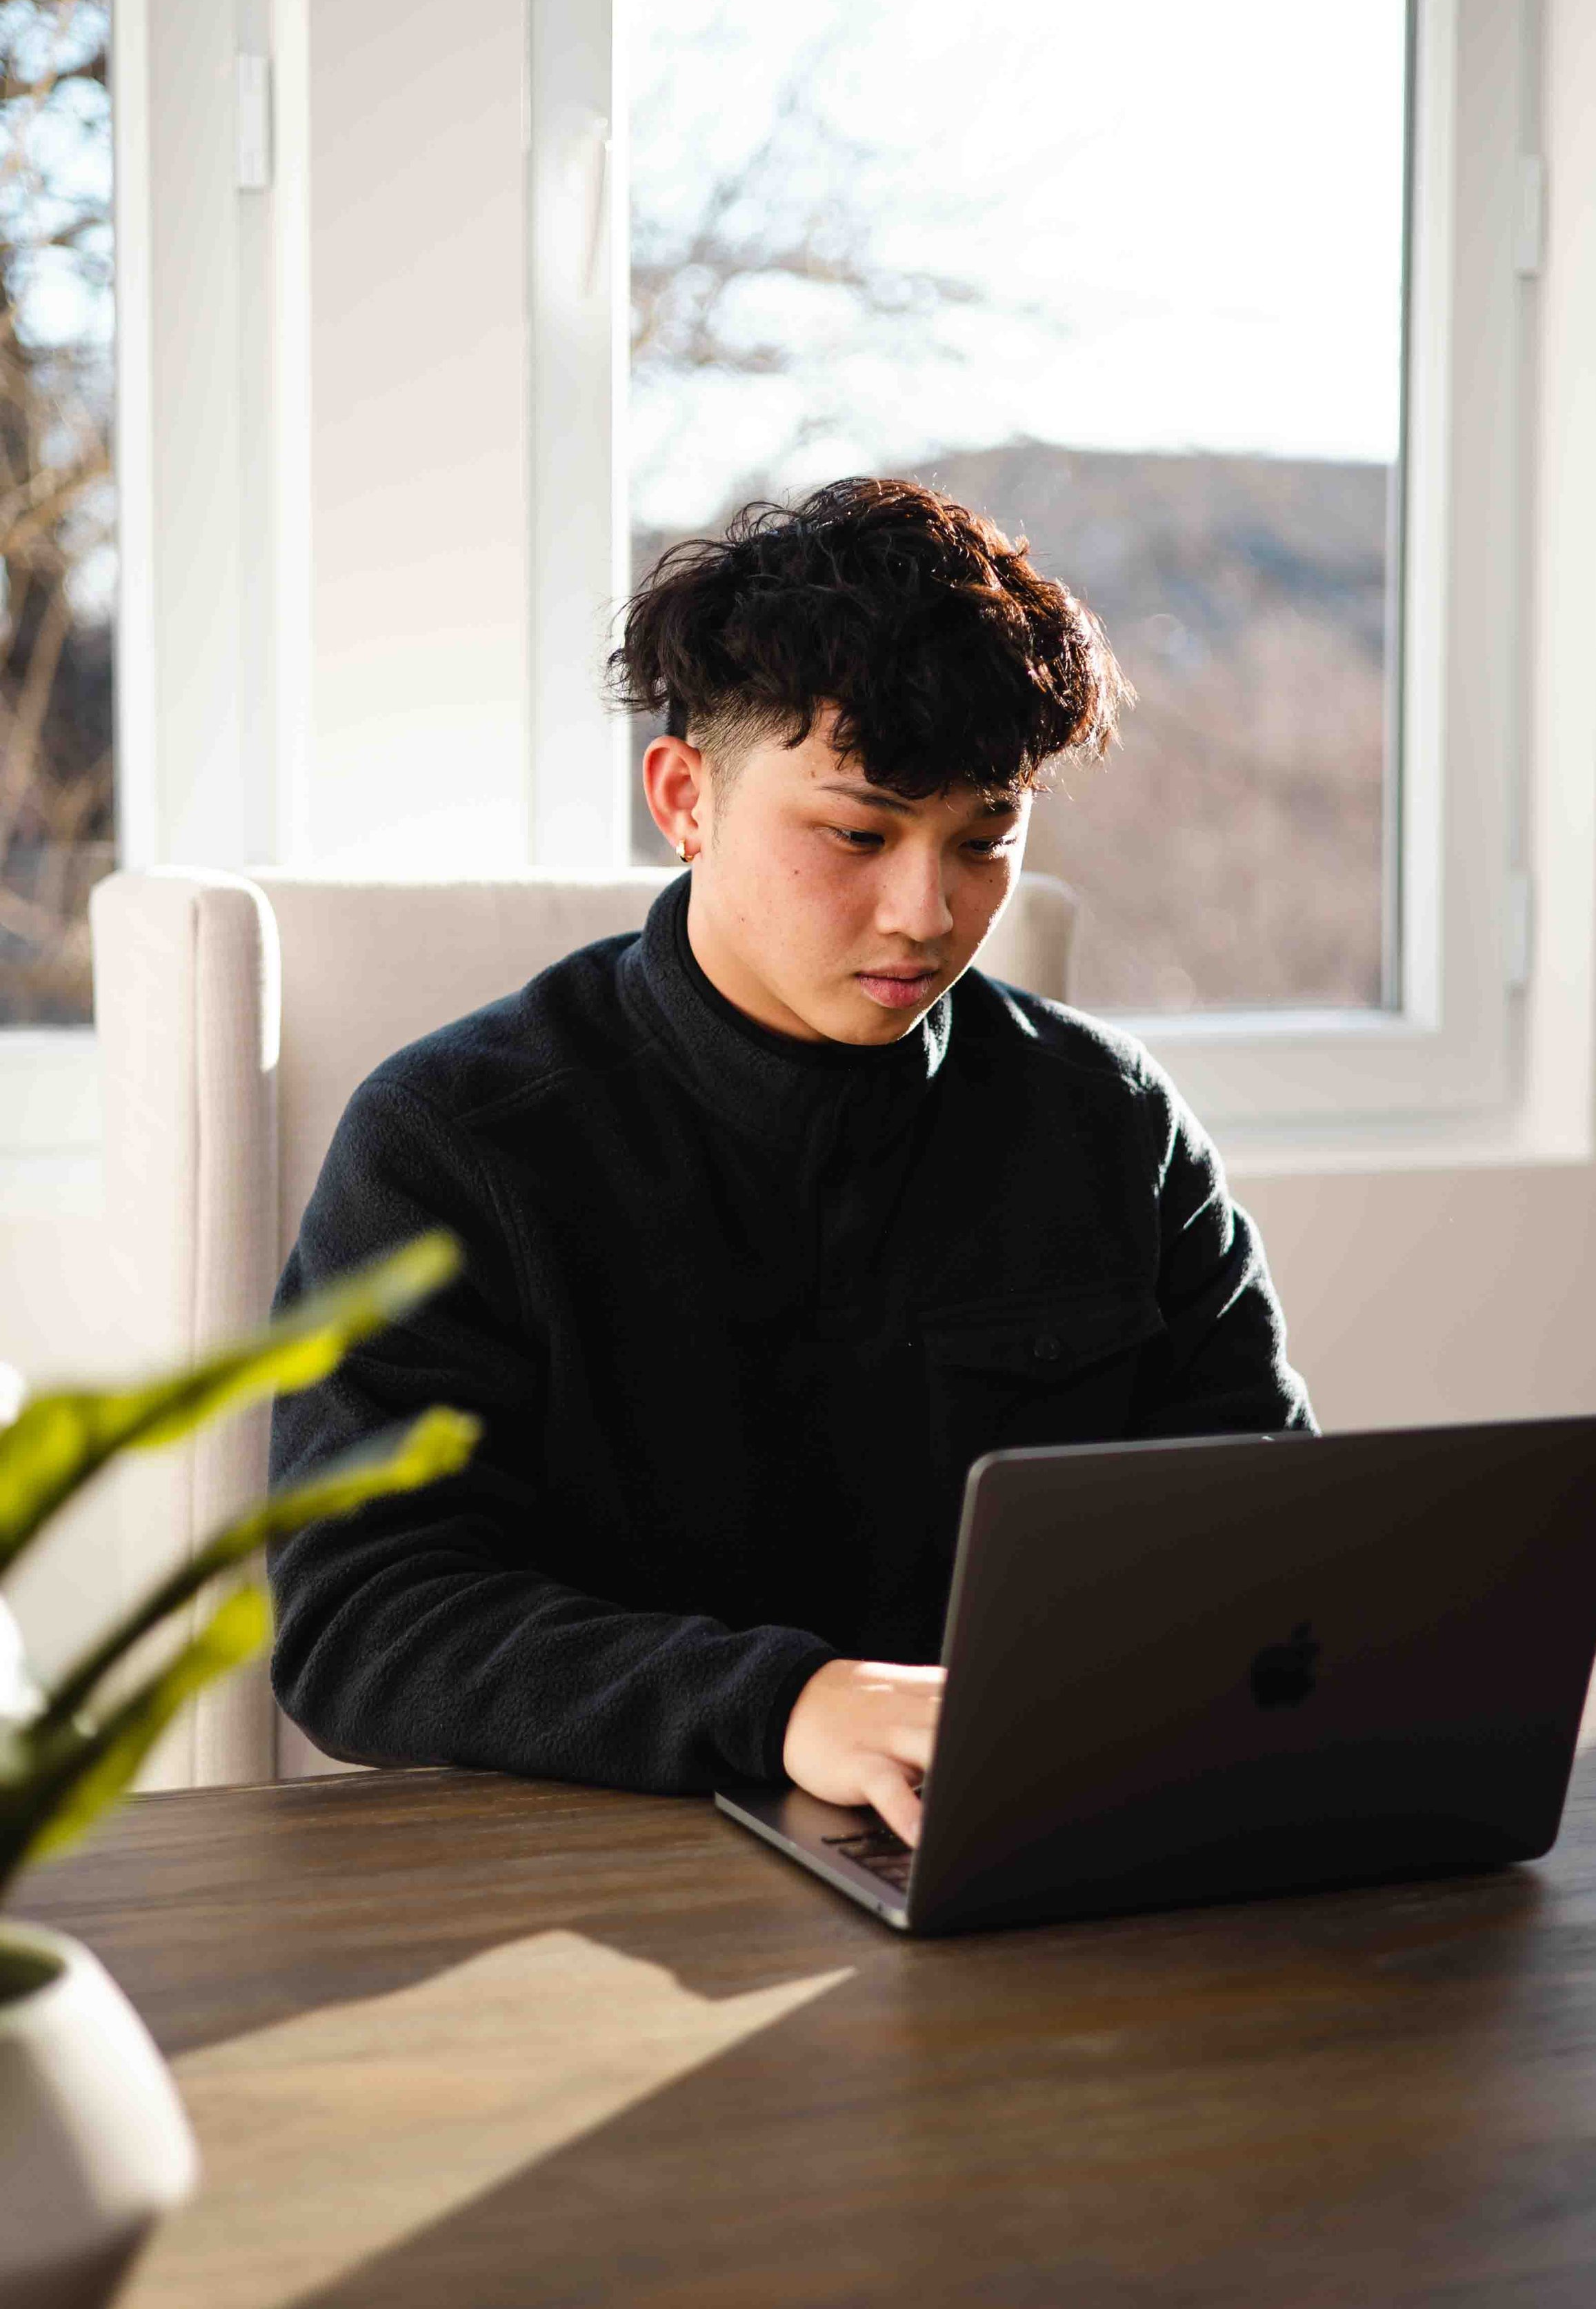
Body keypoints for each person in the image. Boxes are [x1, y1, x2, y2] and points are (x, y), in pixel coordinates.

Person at [267, 476, 1315, 1846]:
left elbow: (1266, 1549)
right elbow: (362, 1624)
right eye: (858, 833)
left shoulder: (1108, 1126)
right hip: (591, 1888)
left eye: (984, 837)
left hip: (1026, 1850)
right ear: (682, 797)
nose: (927, 914)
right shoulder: (456, 1142)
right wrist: (782, 1705)